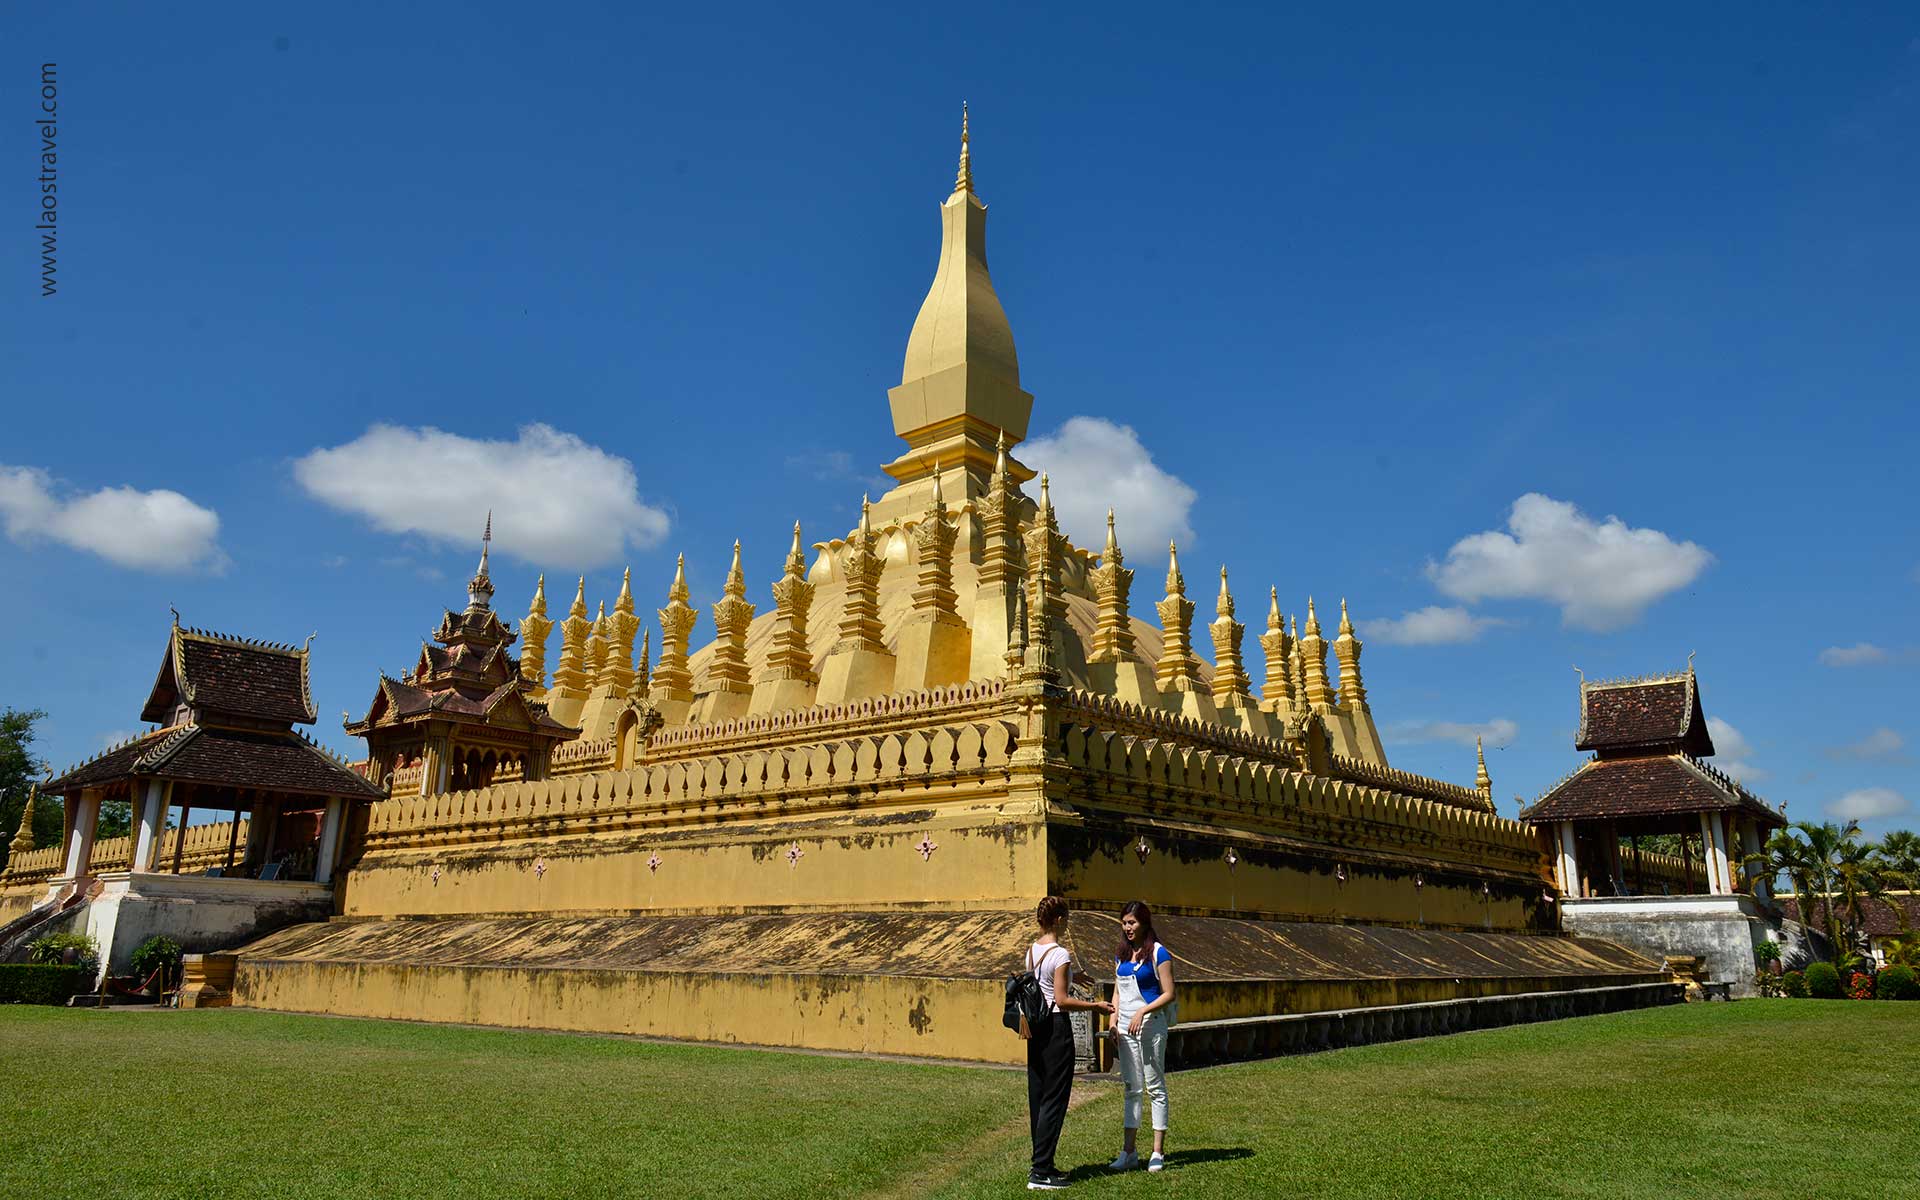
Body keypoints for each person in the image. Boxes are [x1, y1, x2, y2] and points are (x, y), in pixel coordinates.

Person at [1023, 895, 1113, 1191]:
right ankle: (1040, 1171)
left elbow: (1043, 986)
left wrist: (1076, 975)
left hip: (1036, 1029)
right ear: (1059, 920)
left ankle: (1043, 1164)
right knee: (1056, 1097)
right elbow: (1060, 999)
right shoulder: (1060, 954)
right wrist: (1095, 1005)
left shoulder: (1032, 951)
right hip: (1056, 1029)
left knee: (1039, 1094)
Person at [1107, 899, 1174, 1173]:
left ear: (1144, 922)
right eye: (1124, 923)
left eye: (1132, 922)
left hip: (1151, 1026)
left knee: (1154, 1087)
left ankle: (1157, 1151)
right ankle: (1129, 1151)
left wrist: (1143, 1012)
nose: (1127, 928)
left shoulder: (1159, 953)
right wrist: (1113, 1020)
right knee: (1131, 1089)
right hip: (1125, 1029)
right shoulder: (1122, 955)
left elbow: (1169, 994)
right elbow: (1117, 992)